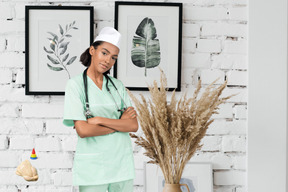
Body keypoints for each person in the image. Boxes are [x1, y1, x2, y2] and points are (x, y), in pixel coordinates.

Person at [63, 27, 138, 192]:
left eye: (113, 58)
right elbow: (83, 130)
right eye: (104, 53)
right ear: (92, 50)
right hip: (93, 169)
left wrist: (99, 120)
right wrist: (119, 124)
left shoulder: (117, 86)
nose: (108, 61)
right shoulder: (75, 86)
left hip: (121, 165)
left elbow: (133, 126)